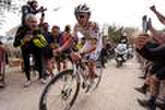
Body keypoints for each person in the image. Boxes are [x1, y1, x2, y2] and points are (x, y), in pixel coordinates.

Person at [13, 14, 48, 87]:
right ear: (26, 22)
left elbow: (45, 41)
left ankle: (41, 77)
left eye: (35, 22)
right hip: (25, 48)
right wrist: (23, 40)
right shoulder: (21, 29)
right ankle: (28, 79)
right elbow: (15, 44)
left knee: (40, 60)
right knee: (26, 62)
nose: (34, 24)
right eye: (32, 22)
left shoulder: (38, 29)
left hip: (37, 48)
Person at [71, 4, 103, 80]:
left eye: (82, 16)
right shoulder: (76, 26)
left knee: (91, 61)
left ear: (88, 16)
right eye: (76, 16)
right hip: (88, 41)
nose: (78, 19)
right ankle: (86, 71)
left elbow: (94, 46)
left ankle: (92, 76)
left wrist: (81, 52)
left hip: (97, 43)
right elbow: (72, 39)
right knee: (78, 58)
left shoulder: (94, 26)